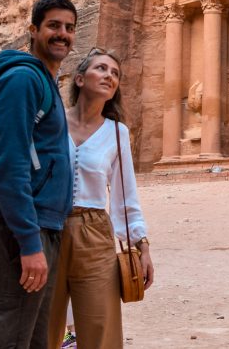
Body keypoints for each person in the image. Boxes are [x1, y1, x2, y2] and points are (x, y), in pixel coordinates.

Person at [0, 0, 77, 349]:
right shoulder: (23, 80)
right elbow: (10, 166)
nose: (63, 34)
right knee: (6, 340)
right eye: (54, 26)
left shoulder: (45, 83)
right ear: (33, 29)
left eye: (69, 28)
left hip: (37, 231)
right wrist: (30, 242)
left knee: (33, 342)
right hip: (14, 236)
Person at [47, 48, 154, 349]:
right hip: (47, 230)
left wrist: (141, 246)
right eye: (102, 68)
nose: (110, 75)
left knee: (99, 328)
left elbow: (124, 197)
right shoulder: (50, 124)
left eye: (115, 73)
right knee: (41, 327)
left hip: (94, 233)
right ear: (79, 78)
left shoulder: (117, 133)